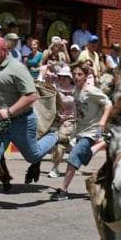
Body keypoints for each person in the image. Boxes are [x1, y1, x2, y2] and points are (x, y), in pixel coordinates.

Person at [0, 36, 58, 211]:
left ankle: (53, 136)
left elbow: (30, 96)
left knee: (33, 155)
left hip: (21, 122)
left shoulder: (17, 69)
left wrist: (9, 111)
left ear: (4, 51)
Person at [49, 62, 111, 201]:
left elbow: (108, 104)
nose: (76, 77)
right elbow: (78, 109)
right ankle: (103, 143)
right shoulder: (76, 90)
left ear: (86, 76)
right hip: (80, 130)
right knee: (84, 156)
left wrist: (103, 121)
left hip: (92, 131)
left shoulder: (92, 91)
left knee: (73, 158)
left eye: (80, 74)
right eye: (74, 74)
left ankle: (63, 191)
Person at [46, 63, 78, 178]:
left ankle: (54, 168)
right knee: (56, 144)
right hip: (56, 120)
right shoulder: (55, 87)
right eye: (60, 76)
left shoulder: (76, 89)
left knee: (61, 140)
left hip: (70, 121)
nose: (62, 79)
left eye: (65, 77)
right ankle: (72, 146)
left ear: (70, 78)